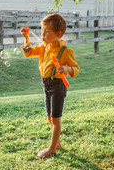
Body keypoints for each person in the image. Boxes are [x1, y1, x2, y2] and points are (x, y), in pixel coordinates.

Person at [21, 13, 80, 159]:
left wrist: (66, 69)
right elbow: (28, 53)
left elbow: (76, 68)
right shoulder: (43, 47)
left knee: (55, 119)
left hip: (57, 85)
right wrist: (26, 38)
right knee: (49, 116)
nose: (42, 33)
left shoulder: (65, 51)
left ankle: (51, 149)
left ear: (58, 34)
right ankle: (57, 143)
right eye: (42, 30)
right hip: (46, 83)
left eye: (46, 31)